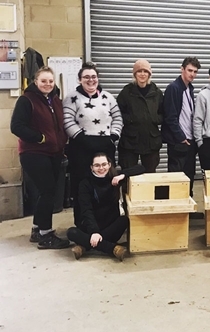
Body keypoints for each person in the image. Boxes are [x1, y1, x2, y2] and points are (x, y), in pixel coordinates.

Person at [10, 67, 70, 249]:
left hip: (54, 153)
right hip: (34, 153)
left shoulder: (55, 100)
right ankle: (46, 235)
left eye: (50, 81)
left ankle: (37, 229)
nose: (47, 84)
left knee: (46, 192)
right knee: (48, 191)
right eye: (43, 81)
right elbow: (16, 126)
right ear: (35, 82)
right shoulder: (26, 100)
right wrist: (40, 137)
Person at [63, 62, 123, 225]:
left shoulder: (108, 97)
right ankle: (83, 222)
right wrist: (83, 139)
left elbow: (118, 118)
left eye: (94, 77)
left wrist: (113, 137)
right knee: (82, 185)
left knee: (108, 183)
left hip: (105, 146)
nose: (91, 80)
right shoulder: (71, 98)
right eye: (86, 77)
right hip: (81, 147)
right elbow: (67, 120)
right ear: (80, 79)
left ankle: (109, 221)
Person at [67, 153, 144, 261]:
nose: (101, 168)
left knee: (124, 220)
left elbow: (141, 167)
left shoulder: (114, 177)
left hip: (109, 224)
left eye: (104, 164)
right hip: (91, 225)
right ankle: (112, 248)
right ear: (91, 167)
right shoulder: (85, 183)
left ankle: (84, 246)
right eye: (97, 165)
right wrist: (94, 232)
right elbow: (86, 210)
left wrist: (123, 175)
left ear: (109, 165)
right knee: (71, 232)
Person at [117, 59, 164, 173]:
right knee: (128, 173)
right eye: (139, 71)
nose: (142, 74)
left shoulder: (156, 92)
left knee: (150, 174)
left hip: (151, 141)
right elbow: (118, 112)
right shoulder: (126, 92)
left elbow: (163, 113)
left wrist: (154, 119)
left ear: (149, 74)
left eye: (145, 71)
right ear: (135, 74)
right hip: (130, 140)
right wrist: (131, 119)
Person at [162, 57, 200, 194]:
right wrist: (181, 137)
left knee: (189, 175)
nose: (192, 74)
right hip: (179, 141)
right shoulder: (174, 88)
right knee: (176, 177)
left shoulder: (189, 88)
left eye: (195, 72)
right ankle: (177, 209)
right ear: (182, 69)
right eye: (190, 70)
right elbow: (170, 116)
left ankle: (188, 209)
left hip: (190, 139)